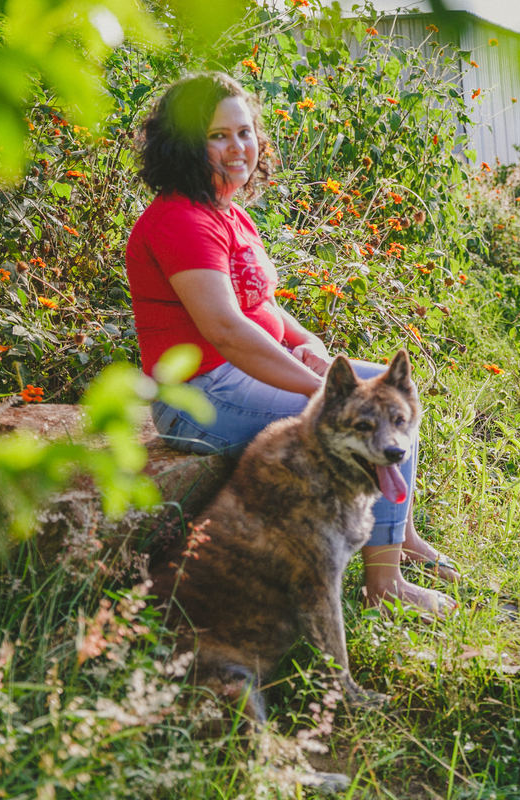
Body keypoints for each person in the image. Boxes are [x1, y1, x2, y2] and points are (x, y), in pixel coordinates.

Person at [125, 72, 456, 614]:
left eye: (245, 131)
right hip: (199, 397)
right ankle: (385, 585)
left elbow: (261, 304)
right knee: (369, 415)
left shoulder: (226, 211)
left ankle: (400, 538)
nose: (239, 148)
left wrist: (312, 344)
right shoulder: (180, 220)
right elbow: (227, 330)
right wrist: (326, 390)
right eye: (218, 136)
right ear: (186, 143)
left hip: (237, 379)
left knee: (393, 403)